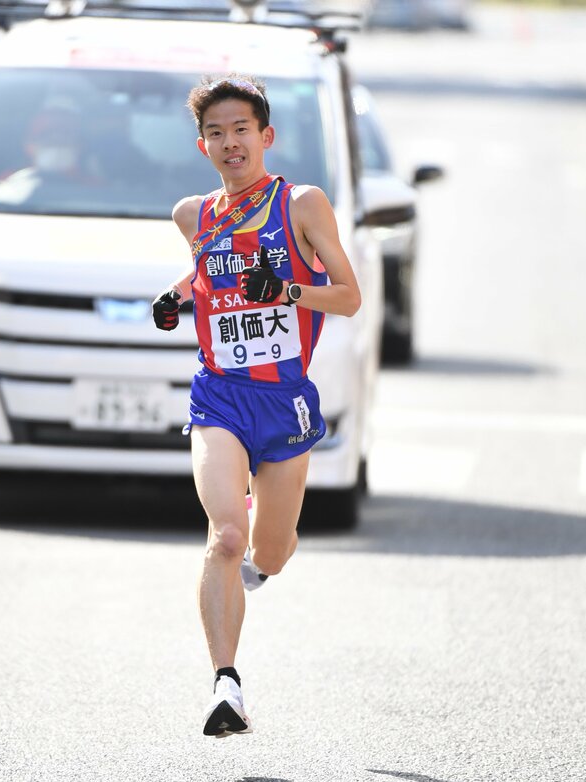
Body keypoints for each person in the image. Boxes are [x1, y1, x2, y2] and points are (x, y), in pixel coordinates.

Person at [151, 75, 362, 738]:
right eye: (216, 132)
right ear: (201, 144)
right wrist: (175, 295)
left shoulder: (301, 204)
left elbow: (348, 295)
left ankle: (262, 568)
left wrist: (290, 288)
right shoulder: (193, 215)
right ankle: (226, 686)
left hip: (283, 401)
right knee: (225, 536)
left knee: (269, 549)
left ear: (264, 136)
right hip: (218, 394)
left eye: (240, 129)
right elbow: (207, 267)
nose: (229, 142)